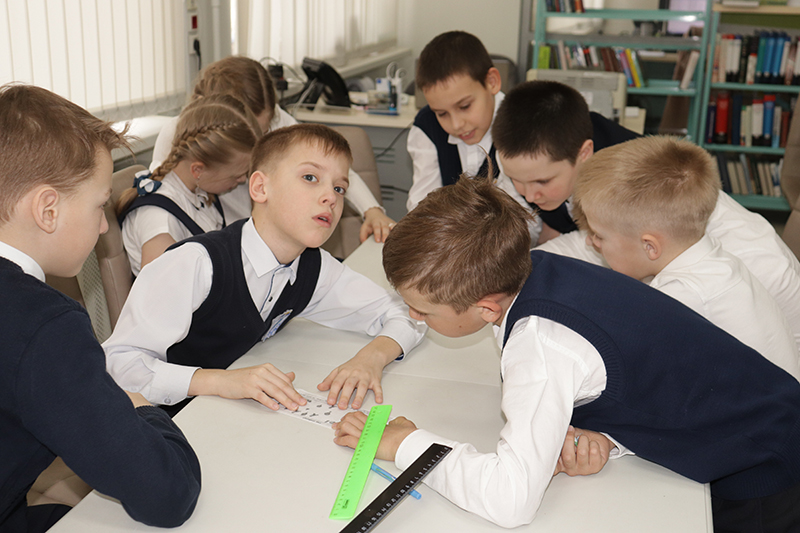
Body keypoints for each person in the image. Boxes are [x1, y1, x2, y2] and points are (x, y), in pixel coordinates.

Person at [333, 176, 800, 532]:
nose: (413, 317)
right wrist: (608, 437)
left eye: (423, 310)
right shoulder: (534, 267)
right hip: (759, 421)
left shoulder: (541, 343)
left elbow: (511, 500)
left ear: (485, 308)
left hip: (763, 466)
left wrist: (408, 446)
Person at [104, 124, 426, 415]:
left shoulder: (313, 267)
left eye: (340, 188)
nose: (330, 197)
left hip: (233, 419)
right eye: (310, 178)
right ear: (260, 188)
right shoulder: (195, 264)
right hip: (165, 425)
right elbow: (118, 366)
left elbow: (413, 312)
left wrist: (371, 358)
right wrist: (221, 381)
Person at [0, 84, 201, 532]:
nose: (104, 226)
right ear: (47, 210)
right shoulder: (44, 328)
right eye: (98, 205)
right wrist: (140, 407)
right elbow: (168, 494)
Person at [572, 135, 800, 380]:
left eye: (599, 236)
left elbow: (617, 356)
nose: (592, 242)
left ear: (650, 247)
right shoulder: (716, 260)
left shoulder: (683, 294)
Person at [151, 55, 394, 242]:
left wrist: (371, 210)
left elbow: (330, 170)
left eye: (263, 129)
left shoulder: (279, 120)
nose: (256, 141)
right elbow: (166, 206)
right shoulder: (177, 137)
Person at [118, 94, 260, 276]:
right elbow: (161, 289)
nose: (242, 180)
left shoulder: (196, 190)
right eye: (238, 175)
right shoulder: (160, 219)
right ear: (198, 170)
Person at [492, 80, 639, 244]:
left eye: (543, 181)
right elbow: (521, 225)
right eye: (516, 180)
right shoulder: (514, 162)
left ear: (584, 154)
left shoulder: (634, 179)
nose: (530, 196)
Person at [405, 30, 504, 212]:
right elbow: (422, 206)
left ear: (492, 82)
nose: (456, 125)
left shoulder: (521, 122)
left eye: (465, 106)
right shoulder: (427, 127)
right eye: (442, 113)